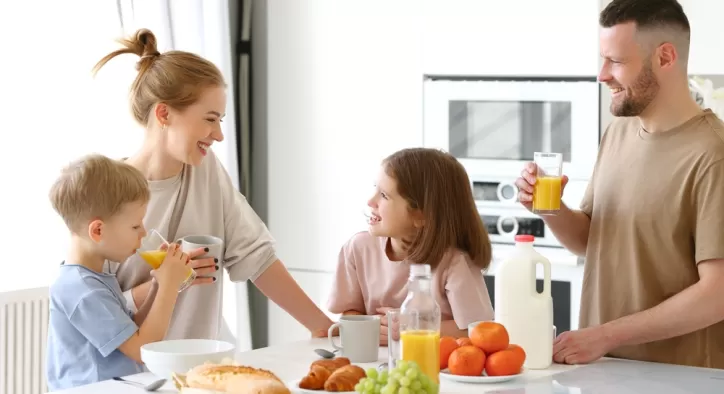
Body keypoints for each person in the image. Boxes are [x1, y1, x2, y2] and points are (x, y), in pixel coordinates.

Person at [516, 0, 724, 369]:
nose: (602, 74)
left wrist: (606, 334)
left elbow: (717, 293)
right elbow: (591, 241)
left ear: (664, 57)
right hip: (601, 369)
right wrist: (549, 207)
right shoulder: (618, 132)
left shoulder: (712, 154)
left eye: (616, 61)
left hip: (677, 379)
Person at [92, 28, 334, 341]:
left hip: (201, 365)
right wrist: (167, 279)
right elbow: (93, 312)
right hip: (131, 374)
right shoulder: (103, 190)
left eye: (220, 120)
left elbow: (257, 259)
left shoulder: (204, 171)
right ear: (164, 113)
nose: (218, 134)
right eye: (209, 119)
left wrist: (325, 328)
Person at [46, 154, 191, 390]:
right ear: (98, 230)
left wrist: (157, 285)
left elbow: (132, 333)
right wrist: (169, 286)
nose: (143, 233)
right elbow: (142, 350)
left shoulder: (93, 278)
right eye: (135, 226)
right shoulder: (82, 290)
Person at [327, 148, 494, 344]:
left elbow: (478, 329)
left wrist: (413, 327)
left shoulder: (454, 263)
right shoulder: (358, 248)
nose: (371, 201)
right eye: (375, 189)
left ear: (420, 215)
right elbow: (349, 312)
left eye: (384, 195)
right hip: (376, 364)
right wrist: (369, 327)